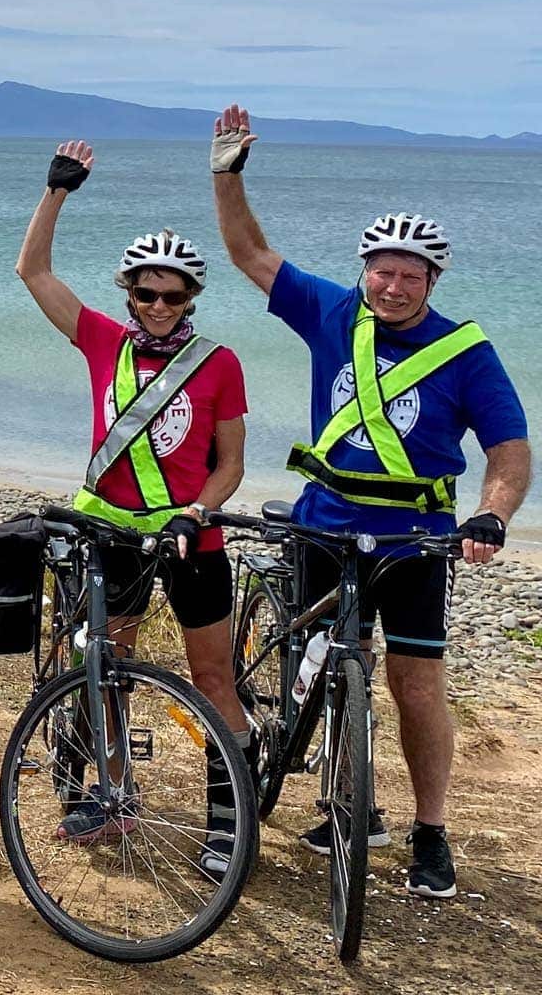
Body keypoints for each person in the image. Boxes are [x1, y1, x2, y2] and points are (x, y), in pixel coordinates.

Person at [211, 104, 529, 897]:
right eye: (382, 271)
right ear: (365, 270)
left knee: (415, 686)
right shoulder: (330, 311)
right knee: (320, 671)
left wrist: (491, 515)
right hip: (322, 528)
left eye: (410, 276)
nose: (393, 286)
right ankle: (347, 801)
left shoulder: (466, 352)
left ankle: (430, 831)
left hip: (415, 541)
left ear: (432, 281)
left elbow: (510, 451)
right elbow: (249, 253)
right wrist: (227, 173)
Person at [16, 140, 251, 878]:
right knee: (108, 667)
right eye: (146, 294)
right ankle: (116, 795)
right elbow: (33, 272)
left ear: (191, 299)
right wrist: (57, 190)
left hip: (190, 540)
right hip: (109, 535)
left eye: (172, 296)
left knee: (213, 679)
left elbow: (231, 464)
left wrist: (198, 511)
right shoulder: (101, 340)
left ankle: (228, 822)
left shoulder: (219, 363)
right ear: (128, 295)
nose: (157, 307)